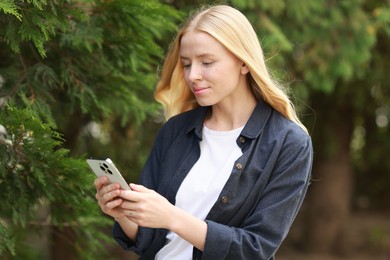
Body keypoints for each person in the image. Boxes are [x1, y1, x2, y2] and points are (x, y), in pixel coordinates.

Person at [94, 4, 313, 260]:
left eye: (206, 62)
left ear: (243, 62)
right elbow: (147, 239)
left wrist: (172, 217)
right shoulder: (175, 131)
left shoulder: (289, 143)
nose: (193, 75)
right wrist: (122, 213)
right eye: (186, 64)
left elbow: (255, 248)